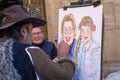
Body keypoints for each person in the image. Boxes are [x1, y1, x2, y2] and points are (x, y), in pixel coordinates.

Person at [0, 5, 75, 80]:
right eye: (31, 30)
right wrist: (63, 56)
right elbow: (64, 76)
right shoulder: (30, 51)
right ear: (23, 31)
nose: (34, 36)